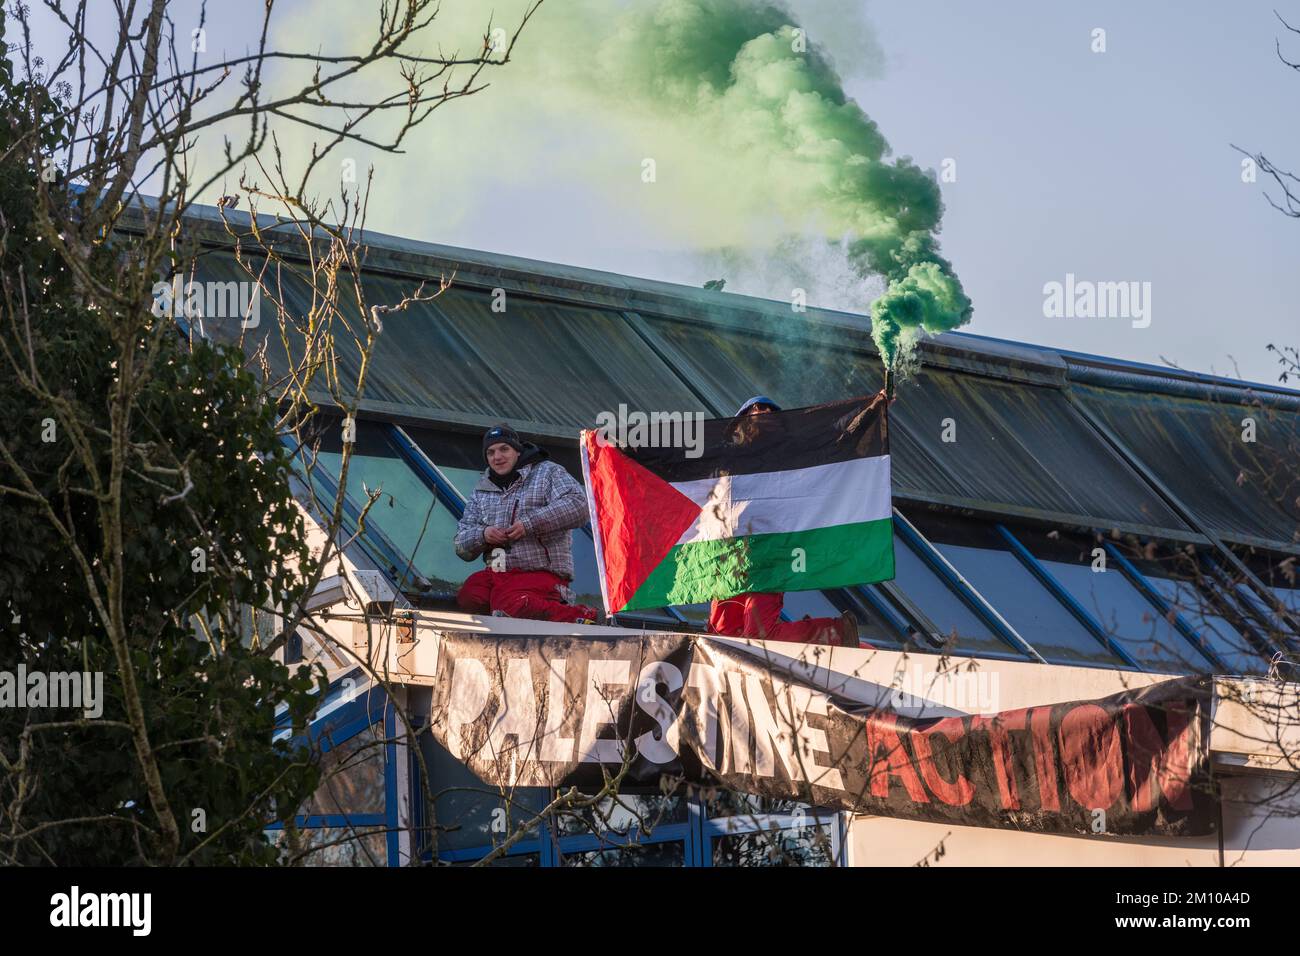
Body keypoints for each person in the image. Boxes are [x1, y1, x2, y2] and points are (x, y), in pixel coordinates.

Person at [707, 396, 861, 648]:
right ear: (740, 421)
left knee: (759, 636)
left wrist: (871, 408)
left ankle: (836, 633)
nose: (767, 412)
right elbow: (678, 461)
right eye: (760, 408)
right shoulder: (721, 457)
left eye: (773, 411)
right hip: (729, 557)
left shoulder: (790, 452)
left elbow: (832, 429)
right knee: (720, 637)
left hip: (769, 552)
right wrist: (638, 448)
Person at [454, 424, 600, 624]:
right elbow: (461, 545)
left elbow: (579, 505)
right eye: (490, 452)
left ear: (518, 450)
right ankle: (506, 619)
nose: (497, 457)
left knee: (510, 604)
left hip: (541, 573)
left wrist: (529, 523)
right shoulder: (482, 489)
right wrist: (483, 534)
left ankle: (581, 616)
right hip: (498, 572)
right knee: (468, 597)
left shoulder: (548, 472)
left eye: (504, 449)